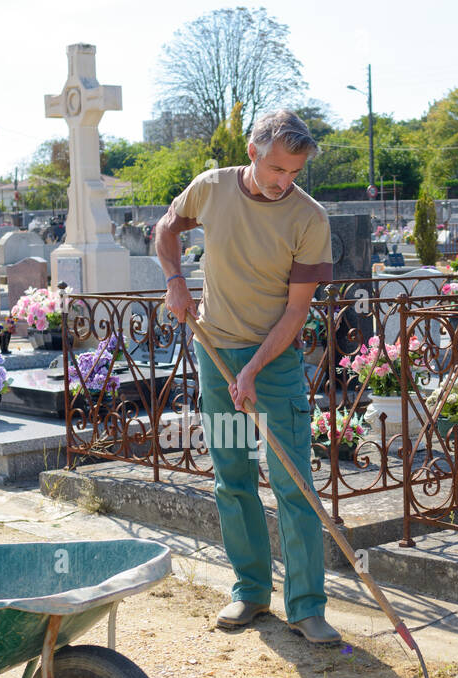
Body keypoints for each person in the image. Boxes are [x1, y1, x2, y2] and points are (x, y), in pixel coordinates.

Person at [152, 109, 340, 646]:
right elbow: (166, 226)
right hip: (215, 354)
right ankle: (251, 592)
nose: (285, 182)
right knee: (232, 476)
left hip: (274, 365)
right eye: (278, 169)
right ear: (253, 153)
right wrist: (175, 281)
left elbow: (296, 313)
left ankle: (306, 607)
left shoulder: (309, 220)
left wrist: (255, 369)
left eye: (295, 173)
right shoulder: (211, 188)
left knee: (293, 482)